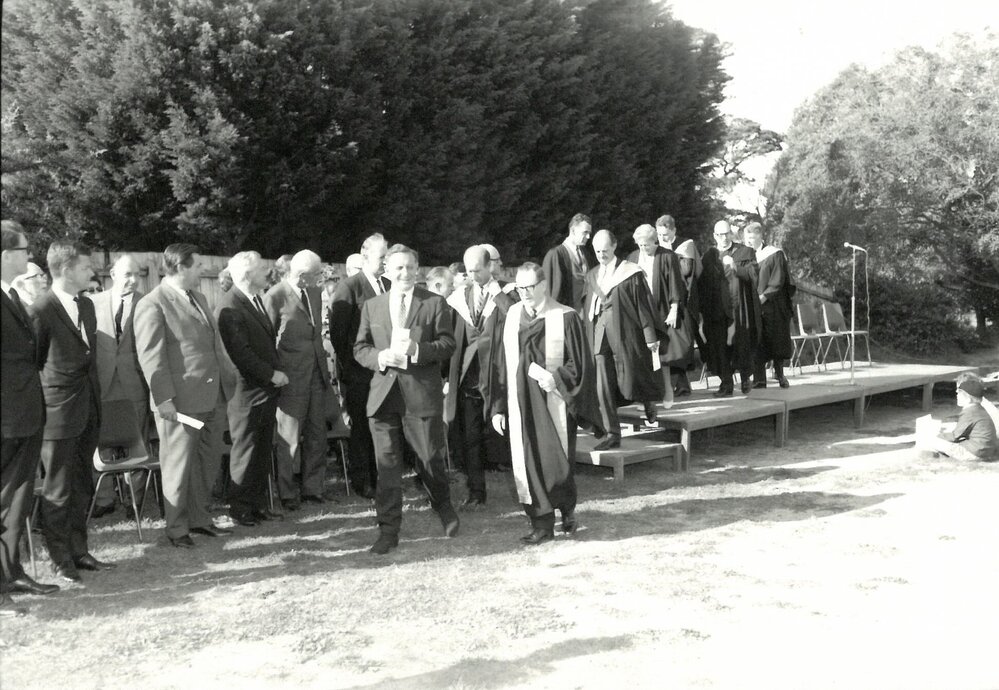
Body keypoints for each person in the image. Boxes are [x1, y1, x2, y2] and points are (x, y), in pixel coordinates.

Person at [483, 262, 603, 545]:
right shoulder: (510, 316)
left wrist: (557, 379)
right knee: (528, 461)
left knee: (556, 462)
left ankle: (566, 508)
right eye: (519, 287)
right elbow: (499, 365)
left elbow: (581, 365)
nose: (524, 293)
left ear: (543, 285)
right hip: (520, 402)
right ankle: (541, 523)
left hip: (555, 402)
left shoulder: (566, 318)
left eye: (529, 287)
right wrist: (498, 406)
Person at [353, 244, 458, 554]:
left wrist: (419, 351)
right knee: (387, 467)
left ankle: (444, 505)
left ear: (418, 269)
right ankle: (388, 530)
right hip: (384, 397)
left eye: (410, 267)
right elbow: (359, 348)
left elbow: (448, 344)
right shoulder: (372, 306)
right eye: (398, 268)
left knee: (429, 459)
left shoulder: (434, 303)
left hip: (420, 396)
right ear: (387, 270)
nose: (405, 273)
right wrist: (379, 357)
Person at [133, 243, 234, 548]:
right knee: (178, 466)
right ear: (180, 267)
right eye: (198, 265)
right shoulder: (153, 304)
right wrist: (164, 401)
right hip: (179, 402)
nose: (203, 270)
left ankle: (200, 520)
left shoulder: (200, 298)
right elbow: (151, 358)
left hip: (212, 396)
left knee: (206, 462)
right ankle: (177, 529)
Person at [30, 241, 114, 580]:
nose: (92, 272)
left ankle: (80, 551)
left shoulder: (87, 305)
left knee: (82, 484)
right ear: (65, 270)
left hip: (88, 408)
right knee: (58, 488)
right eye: (85, 267)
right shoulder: (41, 309)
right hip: (58, 414)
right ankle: (60, 558)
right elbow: (33, 364)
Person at [2, 222, 59, 614]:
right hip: (6, 416)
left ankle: (10, 572)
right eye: (23, 249)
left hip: (25, 412)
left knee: (16, 501)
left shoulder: (10, 295)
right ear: (6, 254)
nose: (28, 256)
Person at [217, 252, 289, 526]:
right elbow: (240, 354)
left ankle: (257, 504)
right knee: (245, 450)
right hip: (246, 393)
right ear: (247, 275)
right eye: (261, 268)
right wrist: (271, 374)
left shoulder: (254, 299)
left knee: (260, 451)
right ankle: (240, 507)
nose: (267, 272)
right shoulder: (230, 306)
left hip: (263, 391)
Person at [445, 246, 517, 509]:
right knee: (470, 438)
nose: (473, 275)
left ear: (490, 267)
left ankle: (526, 488)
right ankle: (477, 492)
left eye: (477, 270)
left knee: (507, 435)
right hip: (469, 379)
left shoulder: (507, 293)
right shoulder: (459, 297)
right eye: (469, 270)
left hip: (498, 376)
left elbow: (518, 321)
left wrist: (497, 294)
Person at [265, 250, 331, 511]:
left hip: (317, 374)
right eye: (316, 275)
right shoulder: (276, 295)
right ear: (303, 275)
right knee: (289, 438)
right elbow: (267, 340)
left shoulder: (314, 292)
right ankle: (287, 492)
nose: (320, 279)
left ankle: (313, 489)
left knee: (318, 434)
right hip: (291, 378)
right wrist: (275, 374)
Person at [585, 231, 665, 447]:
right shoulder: (592, 274)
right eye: (598, 251)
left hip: (626, 333)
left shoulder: (630, 273)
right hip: (599, 334)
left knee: (634, 373)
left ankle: (648, 401)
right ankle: (612, 433)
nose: (601, 254)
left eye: (605, 250)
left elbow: (643, 306)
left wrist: (650, 336)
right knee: (602, 384)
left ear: (614, 246)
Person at [89, 254, 151, 518]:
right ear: (112, 274)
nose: (133, 280)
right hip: (101, 384)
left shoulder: (147, 304)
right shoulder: (92, 303)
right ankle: (104, 499)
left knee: (136, 440)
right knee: (98, 441)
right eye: (127, 274)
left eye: (137, 275)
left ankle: (134, 501)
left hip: (133, 384)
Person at [329, 234, 389, 499]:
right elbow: (339, 335)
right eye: (381, 257)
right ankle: (363, 480)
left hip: (386, 371)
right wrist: (351, 369)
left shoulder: (387, 284)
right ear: (365, 257)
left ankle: (383, 477)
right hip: (359, 374)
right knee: (362, 428)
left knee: (384, 426)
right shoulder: (349, 287)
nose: (386, 262)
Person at [700, 220, 760, 396]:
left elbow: (754, 275)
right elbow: (703, 283)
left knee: (742, 345)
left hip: (739, 308)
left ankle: (745, 378)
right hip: (718, 310)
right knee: (719, 347)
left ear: (731, 234)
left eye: (726, 234)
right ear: (714, 236)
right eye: (719, 234)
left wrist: (736, 268)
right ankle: (726, 384)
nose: (723, 238)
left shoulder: (745, 252)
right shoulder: (709, 256)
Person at [629, 224, 687, 403]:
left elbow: (675, 283)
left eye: (646, 244)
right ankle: (648, 398)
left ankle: (667, 392)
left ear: (654, 241)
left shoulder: (667, 256)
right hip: (641, 312)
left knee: (663, 355)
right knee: (643, 355)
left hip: (661, 310)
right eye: (640, 245)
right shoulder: (632, 257)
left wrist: (674, 309)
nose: (643, 248)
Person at [743, 222, 792, 388]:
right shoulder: (745, 256)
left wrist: (764, 297)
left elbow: (778, 280)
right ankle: (759, 379)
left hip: (774, 305)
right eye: (747, 238)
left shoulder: (774, 254)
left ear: (760, 236)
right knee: (756, 341)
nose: (749, 241)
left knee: (776, 340)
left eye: (752, 237)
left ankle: (780, 375)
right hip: (753, 307)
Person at [917, 379, 997, 461]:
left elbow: (955, 436)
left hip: (976, 453)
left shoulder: (969, 412)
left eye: (959, 393)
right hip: (986, 450)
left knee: (932, 440)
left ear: (968, 399)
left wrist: (938, 435)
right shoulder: (979, 409)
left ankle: (932, 457)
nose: (957, 396)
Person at [543, 213, 594, 314]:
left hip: (585, 314)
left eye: (589, 233)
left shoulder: (586, 254)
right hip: (564, 315)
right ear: (573, 230)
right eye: (585, 232)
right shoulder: (555, 255)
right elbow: (548, 291)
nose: (588, 237)